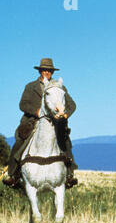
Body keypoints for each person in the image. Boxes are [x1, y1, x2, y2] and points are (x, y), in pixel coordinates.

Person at [2, 58, 78, 189]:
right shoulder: (30, 87)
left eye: (49, 70)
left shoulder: (60, 87)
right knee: (20, 141)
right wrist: (36, 111)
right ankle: (12, 174)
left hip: (55, 122)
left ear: (52, 72)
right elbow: (23, 104)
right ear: (40, 71)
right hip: (33, 121)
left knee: (65, 141)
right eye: (44, 69)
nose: (46, 72)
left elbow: (72, 105)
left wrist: (65, 115)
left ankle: (70, 174)